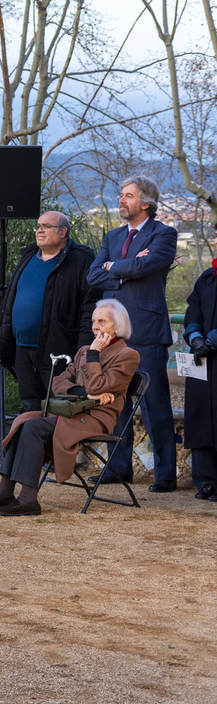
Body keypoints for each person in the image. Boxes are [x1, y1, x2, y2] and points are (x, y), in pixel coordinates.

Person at [0, 299, 140, 516]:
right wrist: (84, 393)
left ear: (117, 326)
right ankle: (4, 491)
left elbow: (97, 385)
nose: (95, 326)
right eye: (93, 321)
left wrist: (93, 357)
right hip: (70, 411)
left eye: (102, 321)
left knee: (34, 427)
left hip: (95, 419)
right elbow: (57, 383)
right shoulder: (84, 351)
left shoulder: (127, 355)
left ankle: (28, 499)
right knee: (23, 421)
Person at [87, 176, 178, 492]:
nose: (121, 200)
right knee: (115, 403)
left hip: (148, 332)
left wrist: (115, 267)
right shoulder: (112, 236)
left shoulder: (164, 234)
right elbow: (93, 275)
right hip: (113, 336)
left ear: (146, 203)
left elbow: (147, 267)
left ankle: (165, 475)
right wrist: (122, 267)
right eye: (121, 195)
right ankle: (118, 468)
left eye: (127, 195)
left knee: (155, 406)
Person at [0, 211, 98, 412]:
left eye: (46, 226)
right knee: (30, 405)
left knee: (60, 405)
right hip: (22, 347)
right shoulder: (28, 256)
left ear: (63, 232)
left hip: (58, 349)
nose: (39, 230)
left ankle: (59, 444)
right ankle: (31, 443)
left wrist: (83, 351)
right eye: (38, 226)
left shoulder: (81, 260)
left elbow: (89, 307)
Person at [181, 261, 217, 501]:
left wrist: (213, 339)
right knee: (202, 418)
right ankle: (207, 482)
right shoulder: (207, 277)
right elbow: (193, 309)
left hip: (211, 349)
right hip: (203, 361)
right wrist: (194, 337)